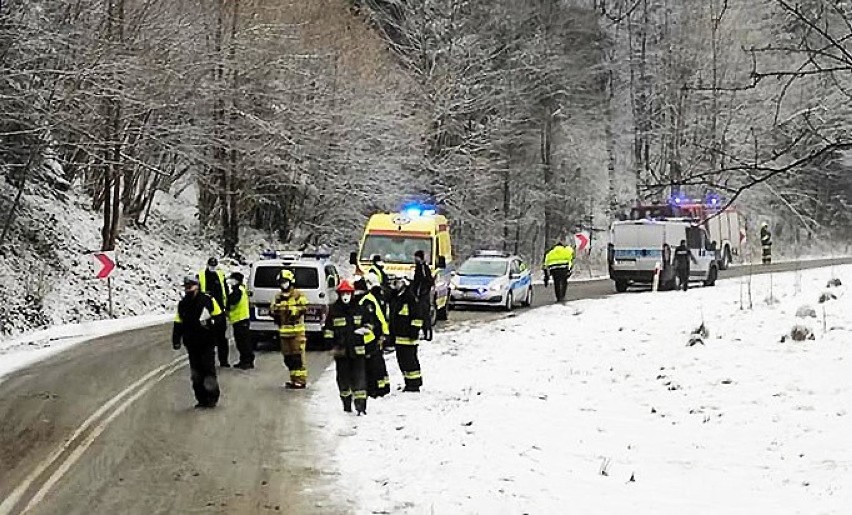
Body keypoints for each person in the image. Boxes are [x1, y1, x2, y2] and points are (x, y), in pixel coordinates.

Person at [172, 275, 222, 408]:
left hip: (207, 342)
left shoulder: (207, 300)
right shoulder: (183, 304)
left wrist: (216, 332)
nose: (189, 289)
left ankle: (212, 398)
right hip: (191, 343)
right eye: (187, 287)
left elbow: (219, 318)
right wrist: (176, 339)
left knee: (208, 370)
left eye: (191, 286)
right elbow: (178, 322)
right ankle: (201, 399)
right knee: (196, 373)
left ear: (197, 286)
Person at [324, 280, 372, 415]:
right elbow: (328, 330)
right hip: (341, 351)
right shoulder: (334, 310)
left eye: (348, 293)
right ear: (339, 294)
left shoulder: (359, 308)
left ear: (352, 294)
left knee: (360, 378)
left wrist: (365, 330)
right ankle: (346, 404)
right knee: (343, 379)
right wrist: (330, 345)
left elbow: (370, 323)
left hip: (358, 350)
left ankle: (361, 406)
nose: (345, 296)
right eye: (343, 293)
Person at [271, 269, 309, 389]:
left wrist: (292, 312)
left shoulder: (298, 295)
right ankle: (293, 380)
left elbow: (303, 307)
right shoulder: (278, 296)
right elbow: (272, 309)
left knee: (297, 357)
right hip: (284, 333)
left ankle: (300, 381)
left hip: (297, 332)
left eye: (285, 281)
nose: (284, 284)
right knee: (288, 358)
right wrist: (277, 312)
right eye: (282, 282)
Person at [389, 277, 423, 392]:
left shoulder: (410, 298)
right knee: (402, 361)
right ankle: (408, 382)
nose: (396, 284)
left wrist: (414, 331)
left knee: (410, 361)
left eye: (398, 282)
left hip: (409, 337)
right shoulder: (396, 297)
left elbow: (417, 316)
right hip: (399, 337)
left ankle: (414, 384)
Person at [361, 273, 391, 398]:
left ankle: (375, 389)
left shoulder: (368, 299)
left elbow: (374, 319)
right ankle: (383, 387)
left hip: (373, 336)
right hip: (381, 333)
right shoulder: (380, 296)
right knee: (379, 363)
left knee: (373, 364)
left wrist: (378, 335)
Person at [199, 257, 230, 367]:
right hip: (206, 310)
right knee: (206, 338)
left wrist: (227, 307)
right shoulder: (201, 275)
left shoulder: (220, 275)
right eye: (211, 265)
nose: (212, 267)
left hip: (220, 310)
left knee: (221, 337)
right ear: (207, 265)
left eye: (214, 265)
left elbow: (225, 290)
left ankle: (224, 361)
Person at [227, 270, 253, 369]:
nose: (231, 281)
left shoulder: (238, 291)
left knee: (243, 343)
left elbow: (232, 302)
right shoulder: (242, 289)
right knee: (243, 342)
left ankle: (247, 361)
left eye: (232, 279)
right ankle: (245, 360)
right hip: (241, 319)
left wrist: (227, 305)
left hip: (240, 319)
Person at [411, 249, 434, 341]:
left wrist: (421, 292)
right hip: (420, 294)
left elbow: (425, 280)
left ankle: (427, 334)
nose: (414, 259)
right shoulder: (419, 267)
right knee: (420, 315)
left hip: (423, 295)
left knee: (424, 315)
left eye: (416, 257)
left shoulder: (422, 267)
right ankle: (423, 333)